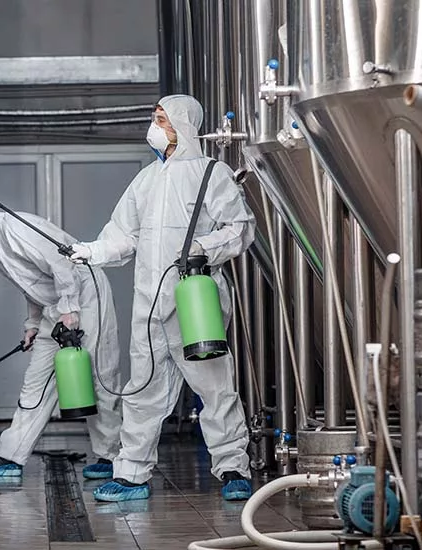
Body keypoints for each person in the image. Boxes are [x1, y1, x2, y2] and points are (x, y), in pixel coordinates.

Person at [69, 94, 256, 502]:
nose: (154, 126)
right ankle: (132, 474)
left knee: (214, 388)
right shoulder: (146, 180)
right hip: (149, 303)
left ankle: (233, 469)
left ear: (182, 125)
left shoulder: (212, 173)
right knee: (143, 391)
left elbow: (239, 228)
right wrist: (92, 251)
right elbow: (122, 235)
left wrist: (203, 247)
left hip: (194, 301)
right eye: (154, 118)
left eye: (161, 119)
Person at [0, 208, 123, 479]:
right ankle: (9, 457)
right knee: (35, 384)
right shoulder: (1, 253)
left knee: (100, 375)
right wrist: (32, 324)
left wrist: (69, 308)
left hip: (86, 297)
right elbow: (33, 287)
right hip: (57, 306)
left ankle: (110, 457)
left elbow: (61, 262)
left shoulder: (15, 228)